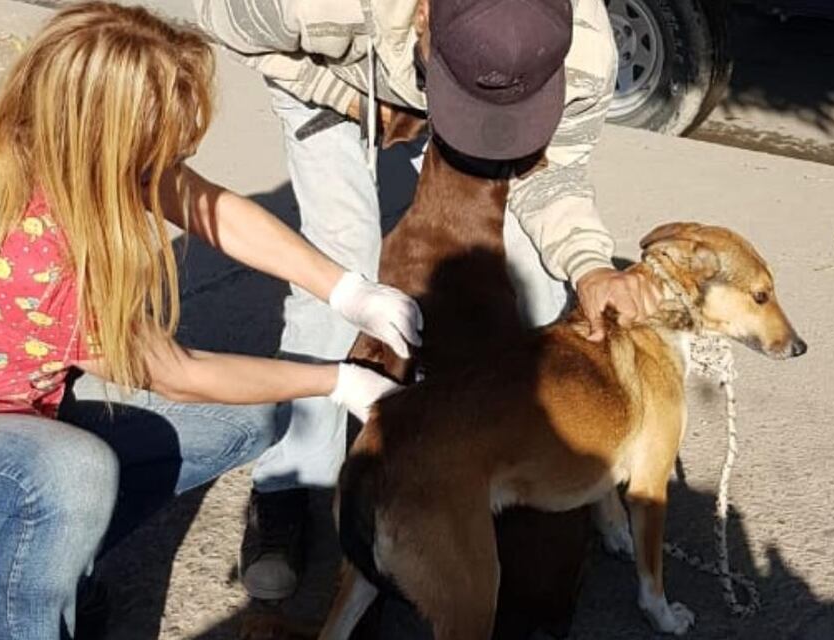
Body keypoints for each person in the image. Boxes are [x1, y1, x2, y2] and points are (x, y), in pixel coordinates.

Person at [0, 3, 423, 638]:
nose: (180, 154)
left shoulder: (49, 137)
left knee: (251, 414)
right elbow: (175, 373)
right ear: (109, 135)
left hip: (8, 410)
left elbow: (204, 204)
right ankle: (25, 606)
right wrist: (338, 381)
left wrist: (347, 290)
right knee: (73, 475)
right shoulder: (37, 249)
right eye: (163, 144)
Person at [198, 0, 662, 600]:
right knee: (338, 266)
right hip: (329, 74)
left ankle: (512, 472)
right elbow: (226, 24)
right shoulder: (315, 6)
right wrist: (352, 99)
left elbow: (551, 174)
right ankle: (288, 484)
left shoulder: (587, 52)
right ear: (422, 16)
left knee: (538, 277)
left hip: (421, 75)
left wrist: (591, 265)